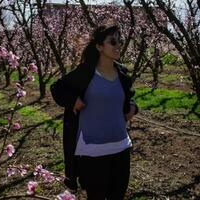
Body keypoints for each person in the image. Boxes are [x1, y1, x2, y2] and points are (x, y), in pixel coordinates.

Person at [50, 24, 138, 200]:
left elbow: (127, 97)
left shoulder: (121, 73)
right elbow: (57, 88)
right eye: (112, 42)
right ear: (99, 46)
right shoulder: (85, 73)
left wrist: (133, 107)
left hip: (121, 147)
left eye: (120, 41)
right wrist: (73, 100)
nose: (118, 45)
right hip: (92, 150)